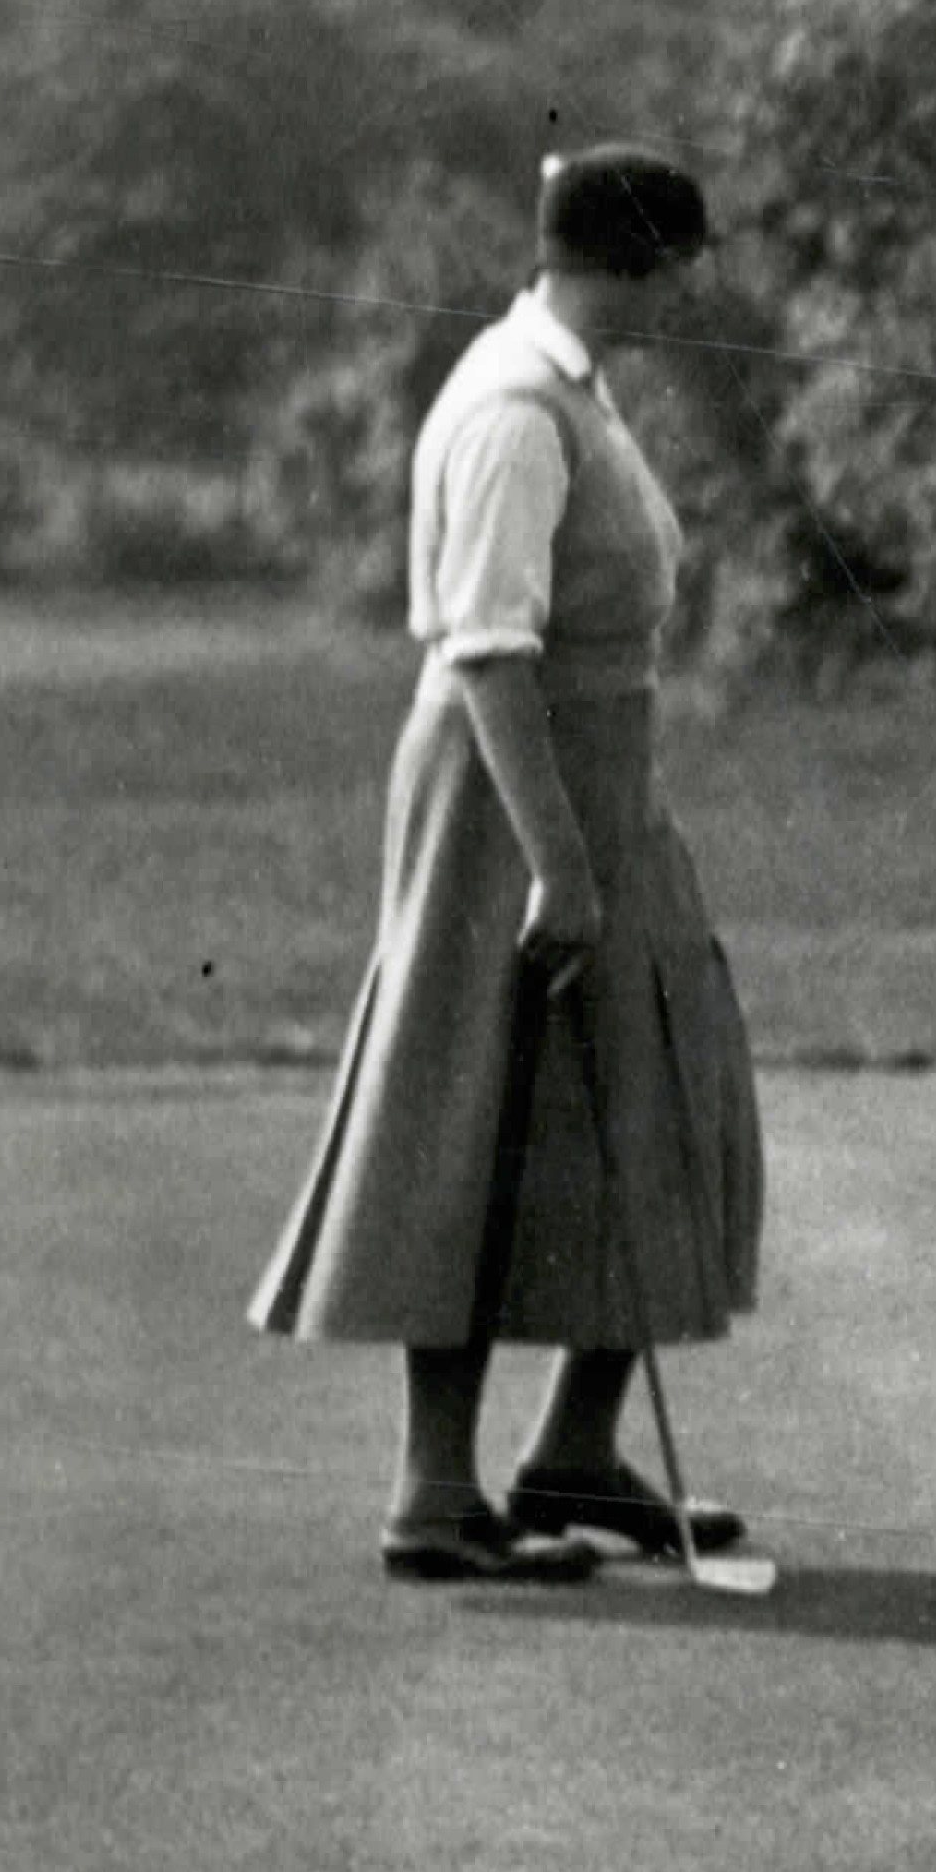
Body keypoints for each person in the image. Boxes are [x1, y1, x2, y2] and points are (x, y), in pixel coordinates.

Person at [254, 143, 765, 1581]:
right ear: (631, 261)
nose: (689, 289)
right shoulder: (510, 408)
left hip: (598, 789)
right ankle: (432, 1495)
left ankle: (572, 1456)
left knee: (663, 1094)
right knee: (473, 1112)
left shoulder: (575, 391)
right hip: (510, 801)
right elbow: (487, 654)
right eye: (680, 261)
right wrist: (560, 866)